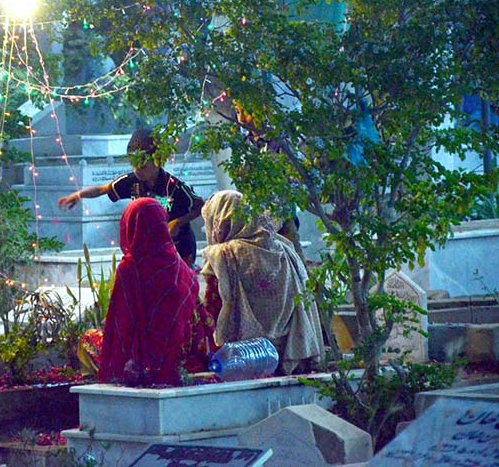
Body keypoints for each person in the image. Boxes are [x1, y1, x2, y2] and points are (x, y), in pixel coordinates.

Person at [201, 190, 322, 375]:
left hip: (243, 360)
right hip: (290, 353)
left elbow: (212, 310)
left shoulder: (222, 256)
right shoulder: (284, 248)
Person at [98, 198, 214, 386]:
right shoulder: (176, 260)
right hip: (187, 353)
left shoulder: (131, 267)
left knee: (89, 341)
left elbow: (121, 322)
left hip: (147, 359)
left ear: (131, 225)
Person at [58, 128, 204, 266]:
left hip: (180, 249)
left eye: (143, 166)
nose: (137, 171)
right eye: (133, 165)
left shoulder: (175, 187)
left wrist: (178, 222)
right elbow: (103, 189)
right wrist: (78, 195)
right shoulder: (132, 181)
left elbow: (201, 206)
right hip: (151, 250)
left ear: (158, 161)